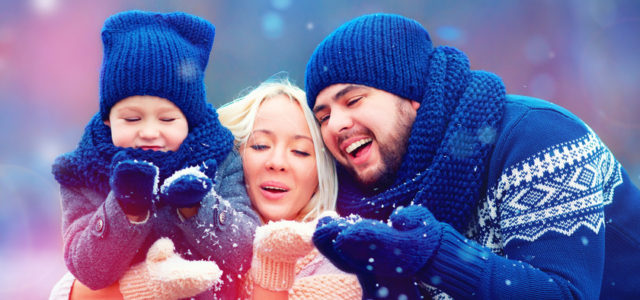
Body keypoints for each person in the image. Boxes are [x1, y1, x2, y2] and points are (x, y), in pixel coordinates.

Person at [305, 13, 640, 299]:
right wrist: (380, 275)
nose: (336, 125)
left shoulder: (537, 138)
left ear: (413, 96)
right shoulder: (381, 195)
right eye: (323, 117)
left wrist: (433, 254)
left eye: (353, 101)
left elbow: (563, 293)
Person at [50, 10, 259, 299]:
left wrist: (197, 207)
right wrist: (127, 210)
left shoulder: (219, 159)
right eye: (132, 119)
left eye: (167, 119)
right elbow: (87, 270)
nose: (149, 132)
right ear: (108, 119)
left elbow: (246, 251)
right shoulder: (84, 171)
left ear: (190, 120)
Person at [217, 78, 362, 299]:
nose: (277, 162)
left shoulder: (342, 259)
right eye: (260, 145)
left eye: (300, 151)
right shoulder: (196, 238)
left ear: (321, 173)